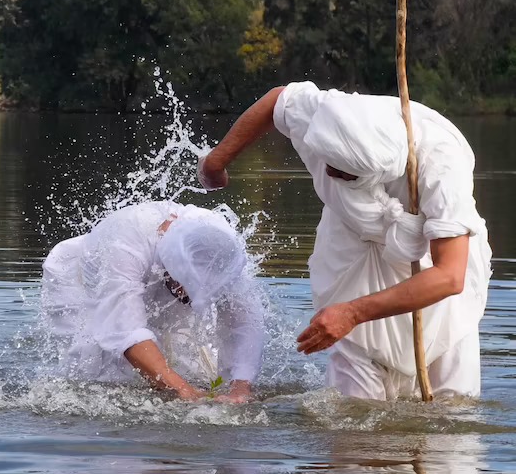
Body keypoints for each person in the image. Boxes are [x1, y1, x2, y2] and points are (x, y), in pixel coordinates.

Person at [198, 81, 491, 400]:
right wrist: (216, 162)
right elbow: (276, 99)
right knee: (355, 400)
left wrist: (353, 313)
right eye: (330, 165)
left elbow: (450, 276)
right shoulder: (328, 116)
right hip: (352, 241)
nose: (333, 174)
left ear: (380, 171)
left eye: (348, 174)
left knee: (452, 401)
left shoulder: (442, 168)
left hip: (430, 261)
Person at [41, 201, 265, 402]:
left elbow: (245, 322)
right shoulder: (124, 243)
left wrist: (240, 389)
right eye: (188, 289)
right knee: (100, 377)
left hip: (159, 278)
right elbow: (125, 331)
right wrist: (184, 392)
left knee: (194, 371)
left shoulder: (225, 250)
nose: (194, 299)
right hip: (83, 284)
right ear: (171, 268)